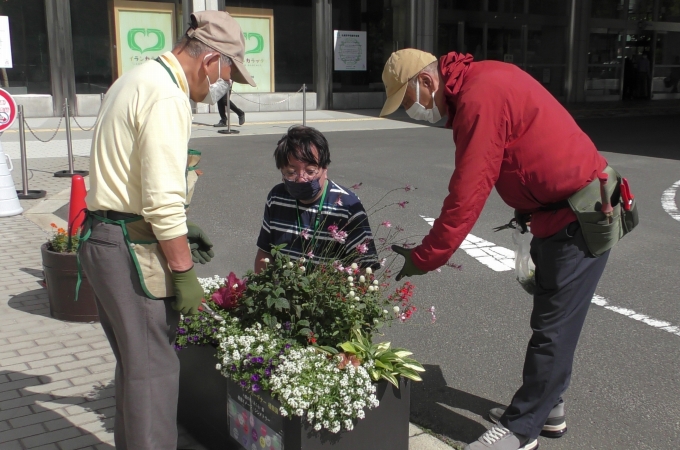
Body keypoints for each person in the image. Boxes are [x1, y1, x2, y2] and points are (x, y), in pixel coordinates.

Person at [380, 49, 613, 450]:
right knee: (549, 317)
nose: (410, 111)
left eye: (407, 102)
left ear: (427, 81)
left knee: (553, 329)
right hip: (555, 213)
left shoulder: (478, 96)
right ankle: (549, 410)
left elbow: (469, 190)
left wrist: (427, 256)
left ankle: (520, 431)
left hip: (578, 216)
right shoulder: (478, 83)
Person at [79, 11, 255, 449]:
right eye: (228, 75)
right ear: (211, 60)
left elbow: (128, 176)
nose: (222, 87)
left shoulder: (135, 78)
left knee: (136, 369)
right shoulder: (167, 96)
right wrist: (184, 273)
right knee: (155, 373)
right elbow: (161, 201)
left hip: (104, 236)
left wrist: (176, 227)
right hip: (127, 250)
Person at [254, 125, 378, 273]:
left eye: (310, 171)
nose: (301, 179)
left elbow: (365, 267)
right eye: (291, 172)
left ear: (325, 168)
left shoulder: (347, 206)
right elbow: (265, 251)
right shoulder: (276, 198)